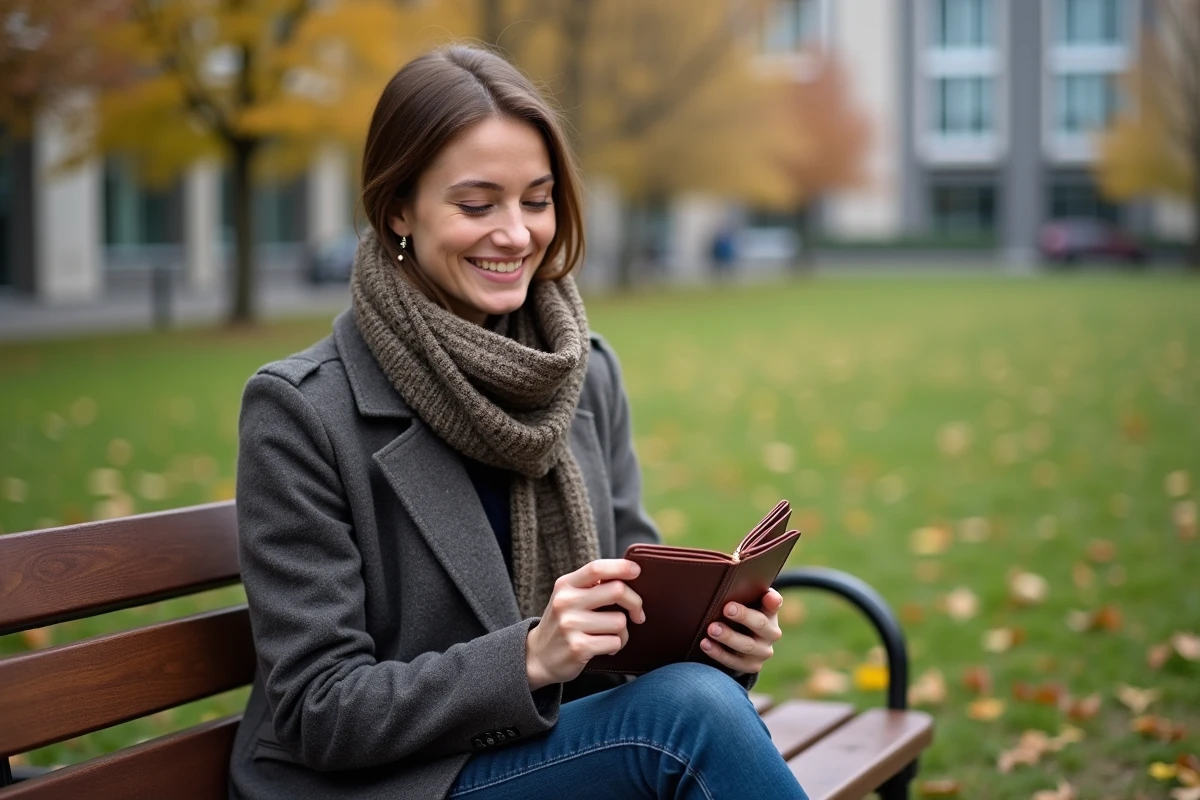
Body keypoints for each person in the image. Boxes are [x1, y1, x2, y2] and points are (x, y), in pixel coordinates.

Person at [230, 45, 808, 800]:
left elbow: (638, 624)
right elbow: (320, 710)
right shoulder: (302, 410)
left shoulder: (582, 373)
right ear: (397, 206)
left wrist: (718, 644)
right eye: (477, 205)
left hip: (541, 749)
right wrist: (531, 658)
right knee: (689, 719)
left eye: (536, 200)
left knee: (700, 701)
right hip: (381, 784)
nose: (516, 234)